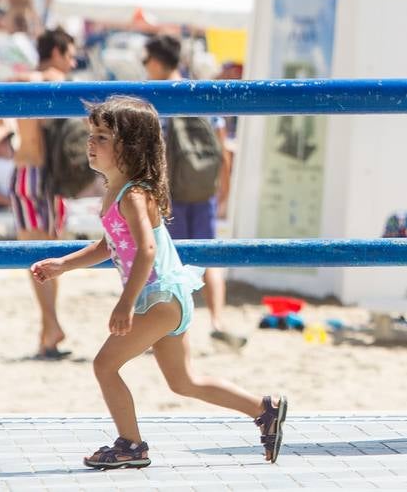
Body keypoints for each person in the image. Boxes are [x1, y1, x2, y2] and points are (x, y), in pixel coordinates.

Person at [29, 96, 287, 469]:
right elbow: (110, 244)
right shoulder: (116, 191)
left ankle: (131, 445)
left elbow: (146, 251)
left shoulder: (133, 195)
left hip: (159, 298)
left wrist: (125, 305)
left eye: (102, 137)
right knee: (184, 382)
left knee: (104, 365)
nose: (91, 143)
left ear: (129, 147)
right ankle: (264, 410)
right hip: (167, 299)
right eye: (92, 135)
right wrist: (64, 265)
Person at [0, 28, 79, 358]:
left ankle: (49, 329)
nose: (74, 60)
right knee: (50, 258)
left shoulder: (22, 83)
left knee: (36, 259)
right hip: (53, 180)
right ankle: (50, 328)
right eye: (70, 54)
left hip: (25, 174)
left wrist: (11, 129)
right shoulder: (66, 86)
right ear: (56, 52)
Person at [142, 35, 246, 349]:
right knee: (208, 256)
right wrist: (223, 185)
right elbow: (221, 144)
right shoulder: (199, 92)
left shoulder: (156, 99)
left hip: (170, 192)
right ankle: (217, 321)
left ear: (158, 62)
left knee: (167, 262)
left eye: (147, 62)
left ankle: (169, 330)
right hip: (203, 190)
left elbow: (154, 155)